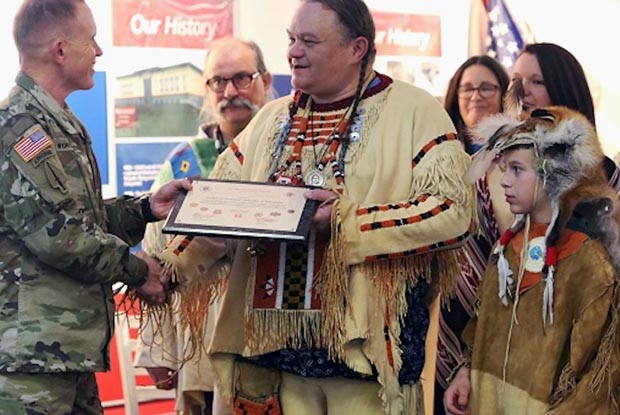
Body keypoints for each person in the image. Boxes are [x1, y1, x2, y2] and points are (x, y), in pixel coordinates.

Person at [155, 1, 475, 414]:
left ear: (356, 48)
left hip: (366, 359)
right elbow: (220, 207)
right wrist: (165, 269)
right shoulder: (270, 121)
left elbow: (451, 212)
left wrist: (346, 224)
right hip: (272, 353)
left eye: (309, 41)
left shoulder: (415, 111)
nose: (293, 52)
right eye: (291, 39)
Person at [0, 1, 191, 414]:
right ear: (61, 50)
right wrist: (138, 272)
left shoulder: (57, 121)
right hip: (29, 360)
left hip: (67, 351)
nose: (99, 52)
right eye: (92, 40)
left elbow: (78, 219)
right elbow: (58, 235)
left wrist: (143, 210)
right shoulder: (18, 125)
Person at [444, 106, 620, 414]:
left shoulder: (588, 262)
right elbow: (482, 323)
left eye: (517, 170)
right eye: (504, 169)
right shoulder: (507, 248)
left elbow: (600, 374)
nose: (504, 182)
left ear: (555, 174)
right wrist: (465, 372)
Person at [134, 37, 273, 415]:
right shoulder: (183, 163)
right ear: (206, 90)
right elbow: (156, 250)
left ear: (265, 80)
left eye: (242, 78)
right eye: (217, 81)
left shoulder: (288, 149)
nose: (230, 92)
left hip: (273, 327)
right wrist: (159, 346)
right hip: (201, 337)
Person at [434, 55, 511, 415]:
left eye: (486, 87)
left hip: (499, 301)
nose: (476, 96)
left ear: (504, 96)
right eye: (467, 88)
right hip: (440, 302)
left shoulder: (517, 163)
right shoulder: (438, 158)